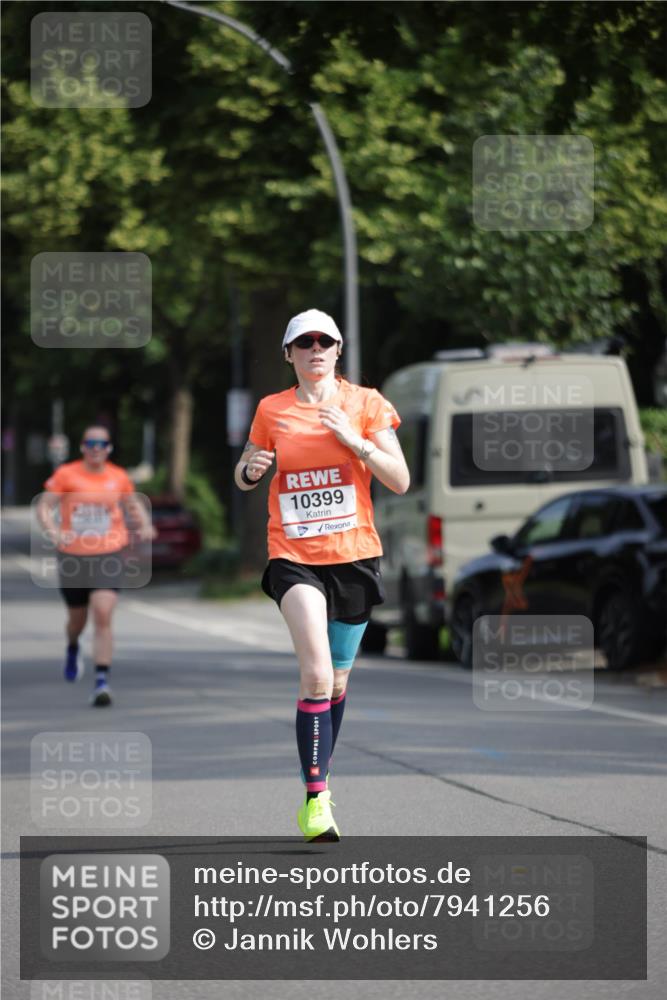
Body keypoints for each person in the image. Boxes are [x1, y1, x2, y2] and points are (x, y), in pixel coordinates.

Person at [235, 309, 409, 842]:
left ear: (338, 350)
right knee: (314, 675)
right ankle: (317, 800)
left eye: (324, 342)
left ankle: (321, 779)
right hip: (293, 556)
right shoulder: (272, 409)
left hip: (354, 556)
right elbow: (246, 471)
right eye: (303, 342)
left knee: (336, 681)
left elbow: (399, 480)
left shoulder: (366, 404)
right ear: (289, 354)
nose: (315, 349)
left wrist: (356, 442)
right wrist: (250, 471)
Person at [37, 425, 156, 707]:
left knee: (103, 612)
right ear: (82, 447)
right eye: (90, 443)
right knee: (77, 619)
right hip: (73, 555)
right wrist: (54, 531)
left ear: (108, 448)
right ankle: (73, 645)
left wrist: (145, 524)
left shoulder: (118, 476)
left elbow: (132, 504)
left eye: (101, 443)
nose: (95, 448)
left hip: (109, 552)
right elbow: (44, 506)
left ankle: (102, 680)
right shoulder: (67, 474)